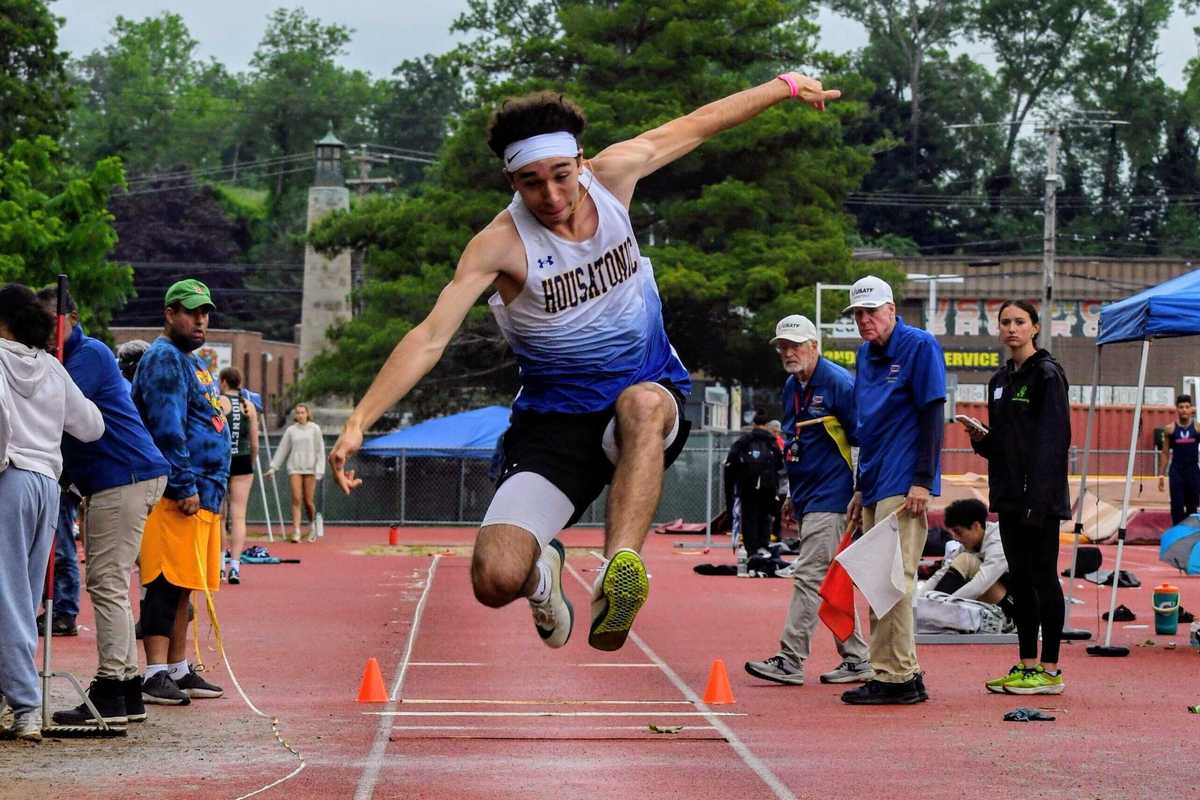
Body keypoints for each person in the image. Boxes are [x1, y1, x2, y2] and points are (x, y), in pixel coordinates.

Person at [327, 74, 842, 653]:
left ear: (579, 161)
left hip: (645, 400)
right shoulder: (499, 245)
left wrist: (787, 87)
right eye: (530, 183)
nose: (549, 196)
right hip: (555, 426)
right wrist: (359, 420)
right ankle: (544, 575)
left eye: (560, 176)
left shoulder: (616, 173)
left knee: (641, 402)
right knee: (494, 579)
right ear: (510, 180)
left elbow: (700, 123)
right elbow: (429, 337)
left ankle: (617, 573)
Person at [32, 287, 171, 727]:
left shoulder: (86, 355)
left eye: (49, 320)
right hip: (120, 476)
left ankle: (112, 687)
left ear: (70, 318)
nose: (43, 330)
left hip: (123, 475)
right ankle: (127, 688)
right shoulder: (73, 354)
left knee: (107, 582)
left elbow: (57, 408)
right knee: (110, 580)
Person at [0, 284, 104, 741]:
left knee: (9, 596)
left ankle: (24, 706)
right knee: (19, 593)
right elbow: (91, 425)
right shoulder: (52, 365)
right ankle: (14, 697)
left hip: (9, 476)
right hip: (47, 484)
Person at [744, 315, 871, 687]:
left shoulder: (838, 383)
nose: (788, 352)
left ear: (814, 345)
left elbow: (861, 439)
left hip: (834, 497)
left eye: (795, 345)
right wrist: (789, 494)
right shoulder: (791, 386)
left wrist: (860, 491)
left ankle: (790, 658)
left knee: (810, 576)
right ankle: (857, 658)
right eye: (783, 345)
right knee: (831, 579)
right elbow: (798, 442)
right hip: (807, 495)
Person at [842, 275, 945, 705]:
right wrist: (861, 487)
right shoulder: (866, 355)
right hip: (877, 476)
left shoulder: (919, 346)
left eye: (872, 312)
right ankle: (903, 670)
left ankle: (895, 676)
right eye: (858, 315)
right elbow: (868, 426)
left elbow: (933, 413)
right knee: (875, 578)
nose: (865, 321)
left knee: (893, 580)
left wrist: (922, 479)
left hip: (905, 480)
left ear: (891, 309)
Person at [962, 299, 1070, 696]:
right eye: (1005, 322)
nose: (1012, 328)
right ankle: (1027, 665)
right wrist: (982, 441)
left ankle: (1051, 669)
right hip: (1006, 497)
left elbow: (1053, 443)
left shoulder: (1047, 375)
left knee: (1044, 578)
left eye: (1019, 322)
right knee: (1020, 581)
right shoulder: (1000, 380)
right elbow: (1005, 446)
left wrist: (1037, 501)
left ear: (1035, 328)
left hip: (1038, 500)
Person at [132, 279, 229, 705]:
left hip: (203, 494)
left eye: (205, 312)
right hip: (177, 495)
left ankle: (178, 666)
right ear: (169, 314)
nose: (200, 320)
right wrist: (184, 483)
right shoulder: (164, 359)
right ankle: (154, 671)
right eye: (191, 312)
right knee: (165, 581)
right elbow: (166, 429)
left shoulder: (192, 361)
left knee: (186, 582)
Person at [922, 498, 1010, 607]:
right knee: (960, 564)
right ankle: (934, 607)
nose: (955, 538)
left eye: (958, 532)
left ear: (976, 526)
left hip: (1016, 601)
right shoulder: (969, 544)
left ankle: (936, 609)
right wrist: (918, 599)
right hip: (997, 591)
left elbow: (981, 584)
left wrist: (945, 605)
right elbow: (942, 573)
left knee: (966, 562)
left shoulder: (999, 540)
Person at [723, 410, 784, 559]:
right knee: (765, 516)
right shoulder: (772, 441)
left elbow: (731, 461)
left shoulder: (744, 440)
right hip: (768, 487)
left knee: (749, 517)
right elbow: (780, 464)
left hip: (747, 485)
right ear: (766, 424)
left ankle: (751, 549)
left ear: (754, 424)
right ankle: (764, 546)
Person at [218, 368, 258, 581]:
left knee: (219, 517)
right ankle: (235, 566)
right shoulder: (248, 406)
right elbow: (254, 442)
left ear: (223, 382)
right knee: (239, 516)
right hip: (243, 462)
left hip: (223, 461)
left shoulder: (219, 402)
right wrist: (250, 463)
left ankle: (218, 564)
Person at [265, 403, 323, 543]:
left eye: (302, 412)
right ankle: (296, 531)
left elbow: (320, 450)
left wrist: (319, 470)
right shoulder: (291, 430)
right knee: (296, 498)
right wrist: (273, 467)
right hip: (295, 467)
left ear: (308, 414)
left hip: (310, 468)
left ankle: (312, 526)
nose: (300, 415)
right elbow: (283, 449)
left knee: (308, 501)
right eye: (297, 412)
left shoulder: (315, 429)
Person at [1159, 394, 1199, 525]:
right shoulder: (1170, 429)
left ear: (1191, 409)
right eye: (1181, 407)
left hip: (1192, 471)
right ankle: (1177, 531)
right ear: (1177, 409)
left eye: (1187, 407)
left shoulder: (1198, 428)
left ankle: (1190, 534)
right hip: (1177, 471)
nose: (1184, 410)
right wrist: (1161, 475)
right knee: (1177, 505)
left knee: (1192, 506)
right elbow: (1165, 453)